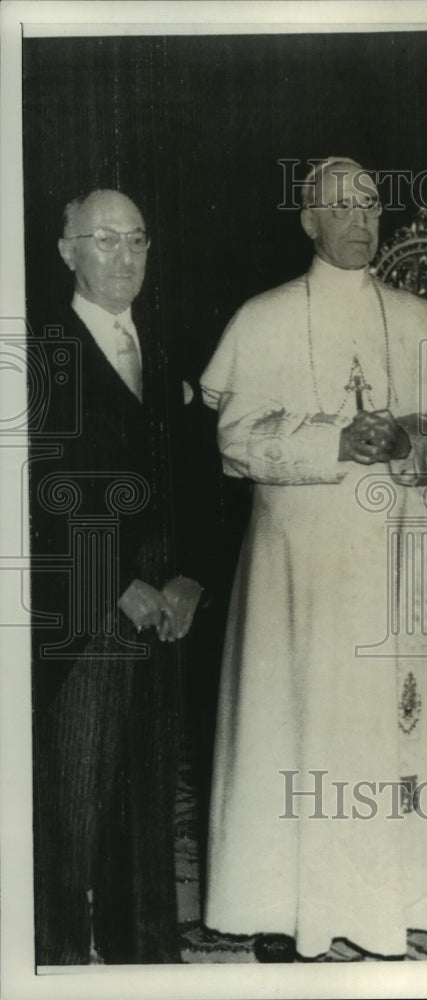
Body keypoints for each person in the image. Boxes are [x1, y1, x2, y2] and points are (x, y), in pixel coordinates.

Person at [200, 158, 427, 961]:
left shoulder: (419, 317)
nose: (361, 221)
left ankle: (383, 904)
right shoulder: (263, 317)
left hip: (389, 567)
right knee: (291, 726)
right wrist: (335, 440)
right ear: (308, 221)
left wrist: (410, 436)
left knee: (378, 733)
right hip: (297, 568)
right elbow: (235, 440)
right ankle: (281, 906)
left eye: (371, 207)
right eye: (342, 207)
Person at [29, 189, 205, 964]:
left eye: (137, 240)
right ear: (66, 250)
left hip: (163, 607)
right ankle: (55, 964)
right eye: (105, 240)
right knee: (69, 809)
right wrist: (110, 586)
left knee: (145, 803)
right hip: (82, 608)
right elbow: (35, 490)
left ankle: (146, 960)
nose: (125, 257)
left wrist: (190, 576)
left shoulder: (167, 345)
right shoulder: (37, 350)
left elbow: (200, 475)